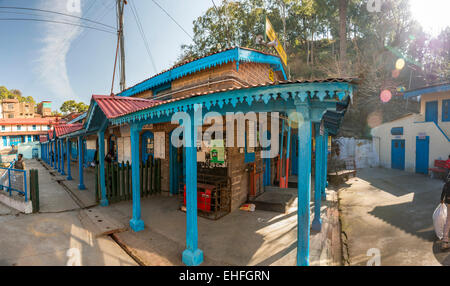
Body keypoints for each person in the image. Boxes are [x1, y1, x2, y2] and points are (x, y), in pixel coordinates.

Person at [441, 177, 450, 248]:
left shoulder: (447, 182)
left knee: (448, 220)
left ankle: (445, 240)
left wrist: (442, 200)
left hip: (448, 202)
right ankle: (445, 241)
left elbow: (443, 192)